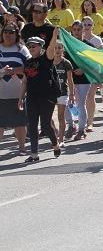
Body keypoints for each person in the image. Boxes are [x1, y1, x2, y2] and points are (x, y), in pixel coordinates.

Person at [20, 33, 62, 162]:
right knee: (32, 125)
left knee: (45, 124)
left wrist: (54, 35)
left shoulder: (46, 58)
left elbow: (51, 47)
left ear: (41, 47)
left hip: (47, 96)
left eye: (34, 46)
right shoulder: (28, 62)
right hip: (32, 97)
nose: (32, 48)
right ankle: (34, 154)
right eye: (29, 46)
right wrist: (20, 98)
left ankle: (55, 144)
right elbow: (25, 81)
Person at [0, 22, 29, 155]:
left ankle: (22, 147)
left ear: (17, 34)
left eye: (11, 32)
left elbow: (30, 68)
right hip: (1, 93)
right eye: (6, 31)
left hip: (18, 93)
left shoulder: (21, 49)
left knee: (20, 122)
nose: (8, 34)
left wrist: (15, 70)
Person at [53, 41, 74, 147]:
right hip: (50, 93)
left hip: (62, 92)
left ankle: (61, 139)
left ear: (63, 50)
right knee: (47, 118)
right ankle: (54, 134)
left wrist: (72, 94)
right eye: (55, 48)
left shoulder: (66, 63)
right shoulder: (49, 62)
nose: (57, 50)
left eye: (59, 48)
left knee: (61, 116)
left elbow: (70, 80)